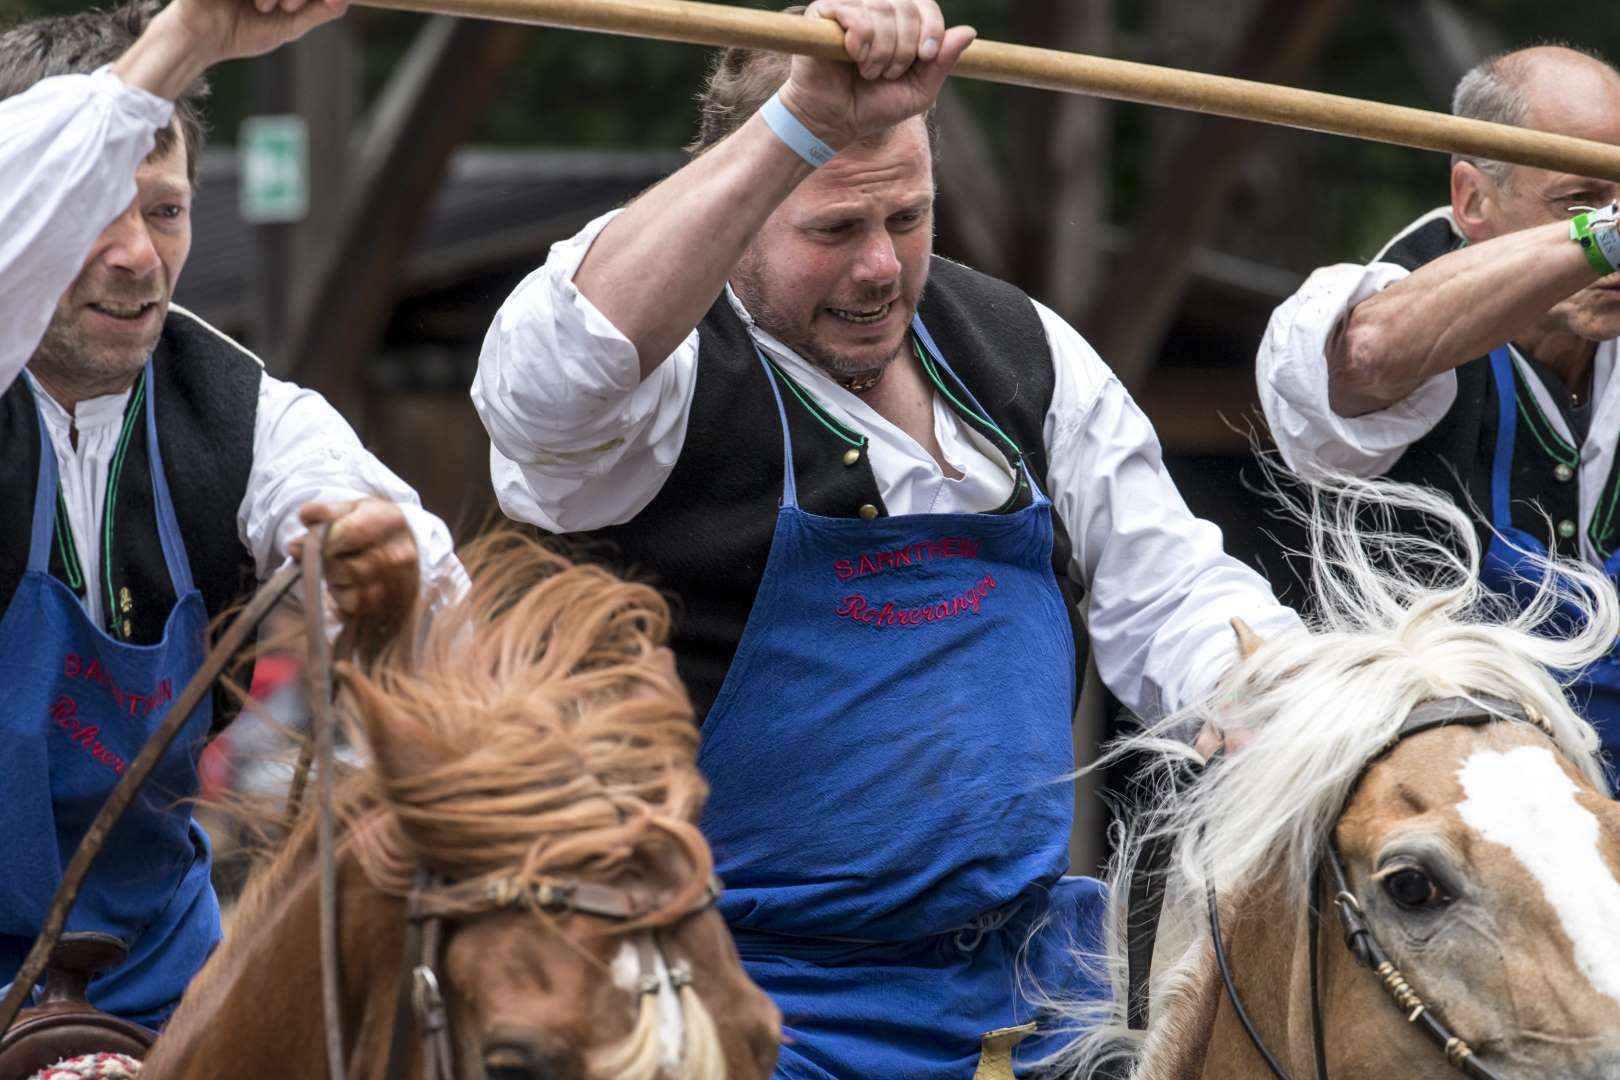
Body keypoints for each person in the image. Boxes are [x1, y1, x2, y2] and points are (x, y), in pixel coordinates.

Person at [472, 1, 1300, 1074]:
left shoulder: (1022, 350)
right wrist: (799, 122)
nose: (879, 267)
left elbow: (1173, 590)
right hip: (736, 996)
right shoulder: (664, 382)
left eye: (907, 218)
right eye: (833, 229)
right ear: (741, 204)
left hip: (1035, 988)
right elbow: (544, 386)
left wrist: (1283, 703)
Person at [0, 0, 466, 1029]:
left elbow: (441, 608)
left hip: (159, 973)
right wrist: (191, 36)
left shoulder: (249, 414)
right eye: (90, 210)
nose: (136, 255)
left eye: (165, 210)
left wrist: (384, 578)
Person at [1257, 45, 1620, 771]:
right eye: (1579, 201)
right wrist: (1603, 236)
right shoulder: (1371, 304)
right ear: (1473, 199)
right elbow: (1370, 354)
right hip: (1438, 771)